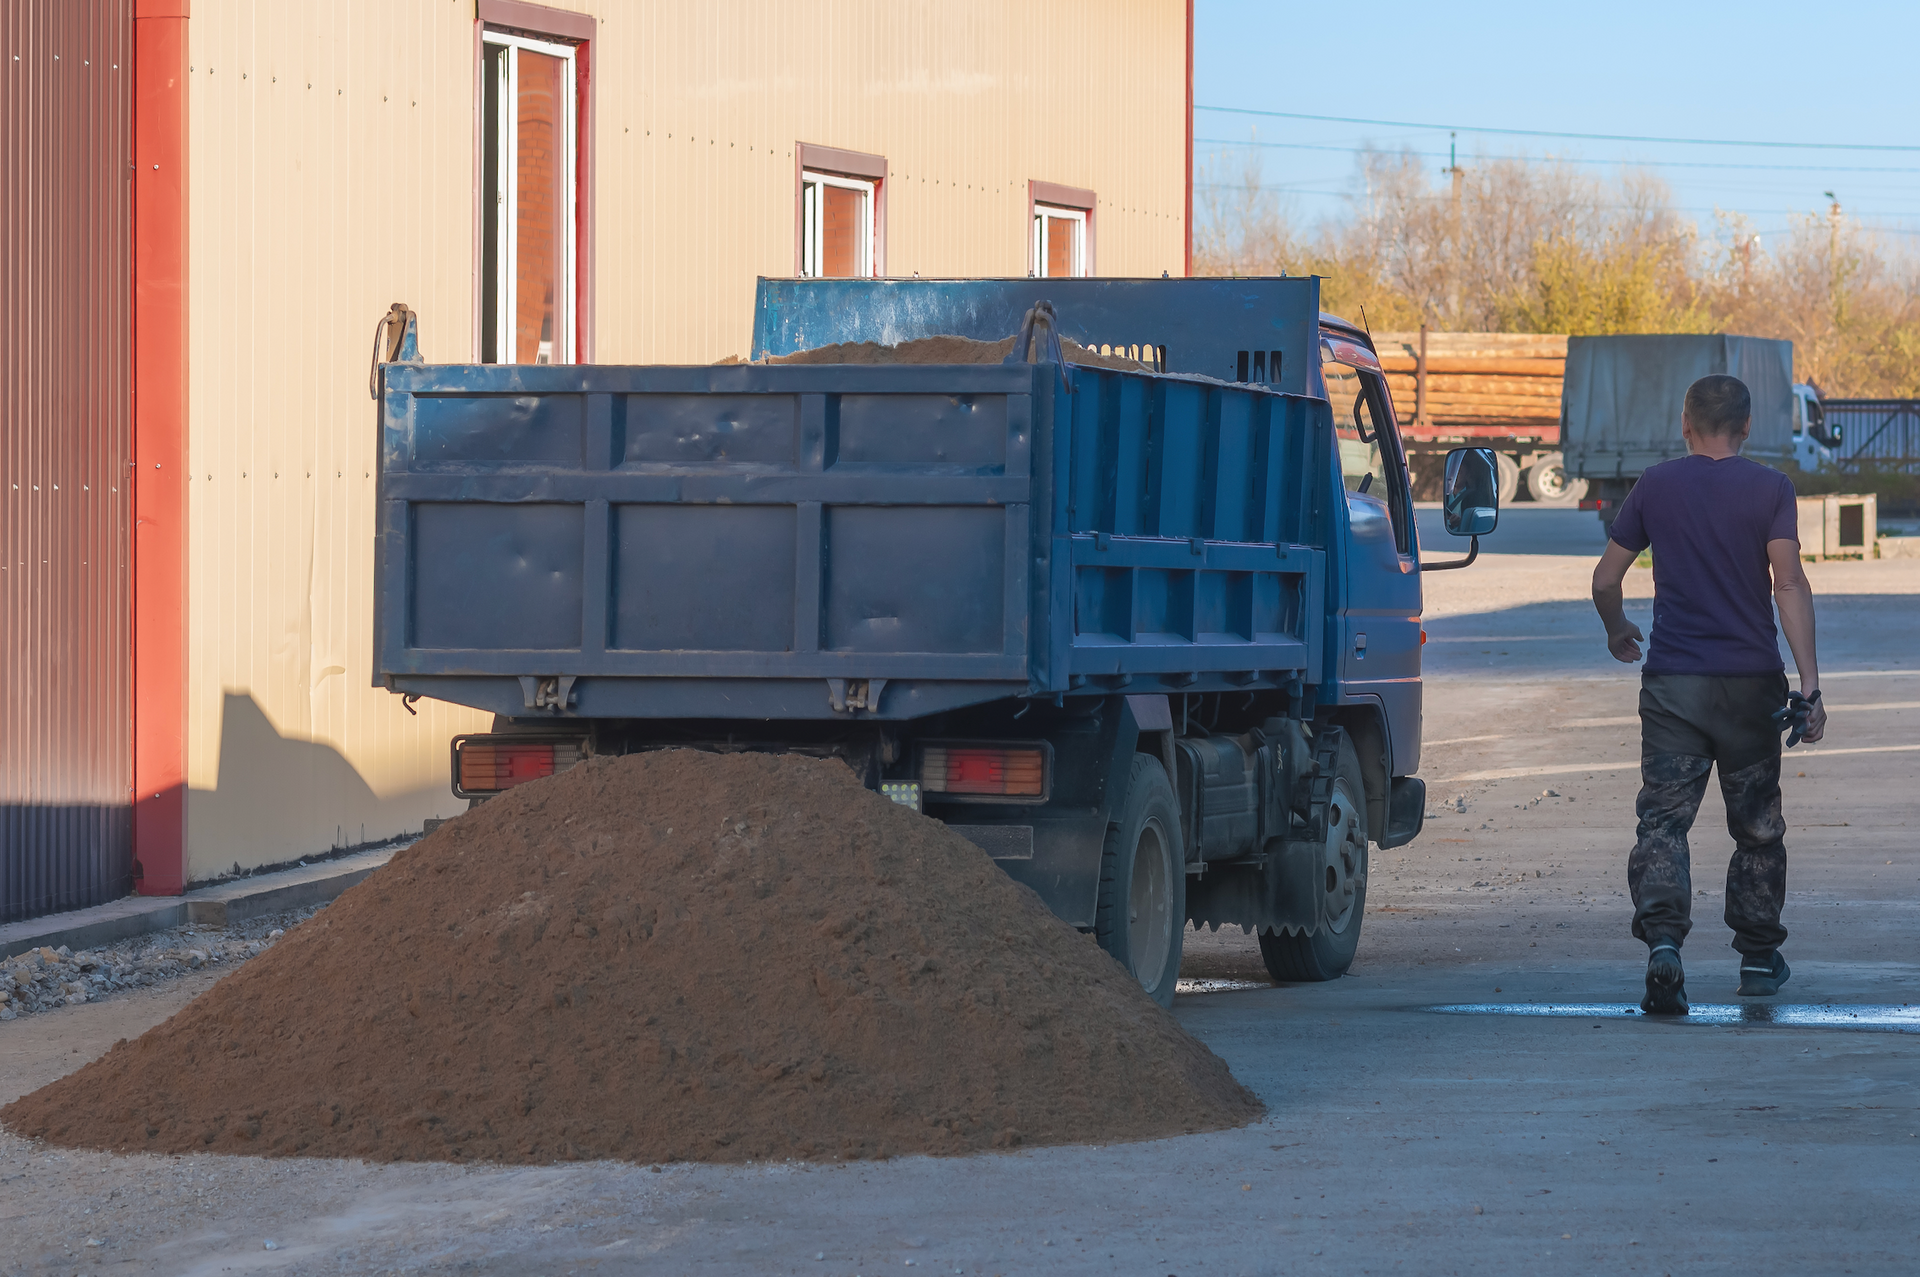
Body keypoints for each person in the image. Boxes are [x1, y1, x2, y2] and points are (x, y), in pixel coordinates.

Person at [1591, 374, 1826, 1014]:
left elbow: (1606, 578)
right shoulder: (1771, 488)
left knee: (1664, 823)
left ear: (1685, 423)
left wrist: (1617, 630)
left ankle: (1664, 946)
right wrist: (1808, 684)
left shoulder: (1656, 485)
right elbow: (1789, 583)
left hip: (1674, 687)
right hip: (1752, 687)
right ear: (1747, 428)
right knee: (1756, 829)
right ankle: (1756, 959)